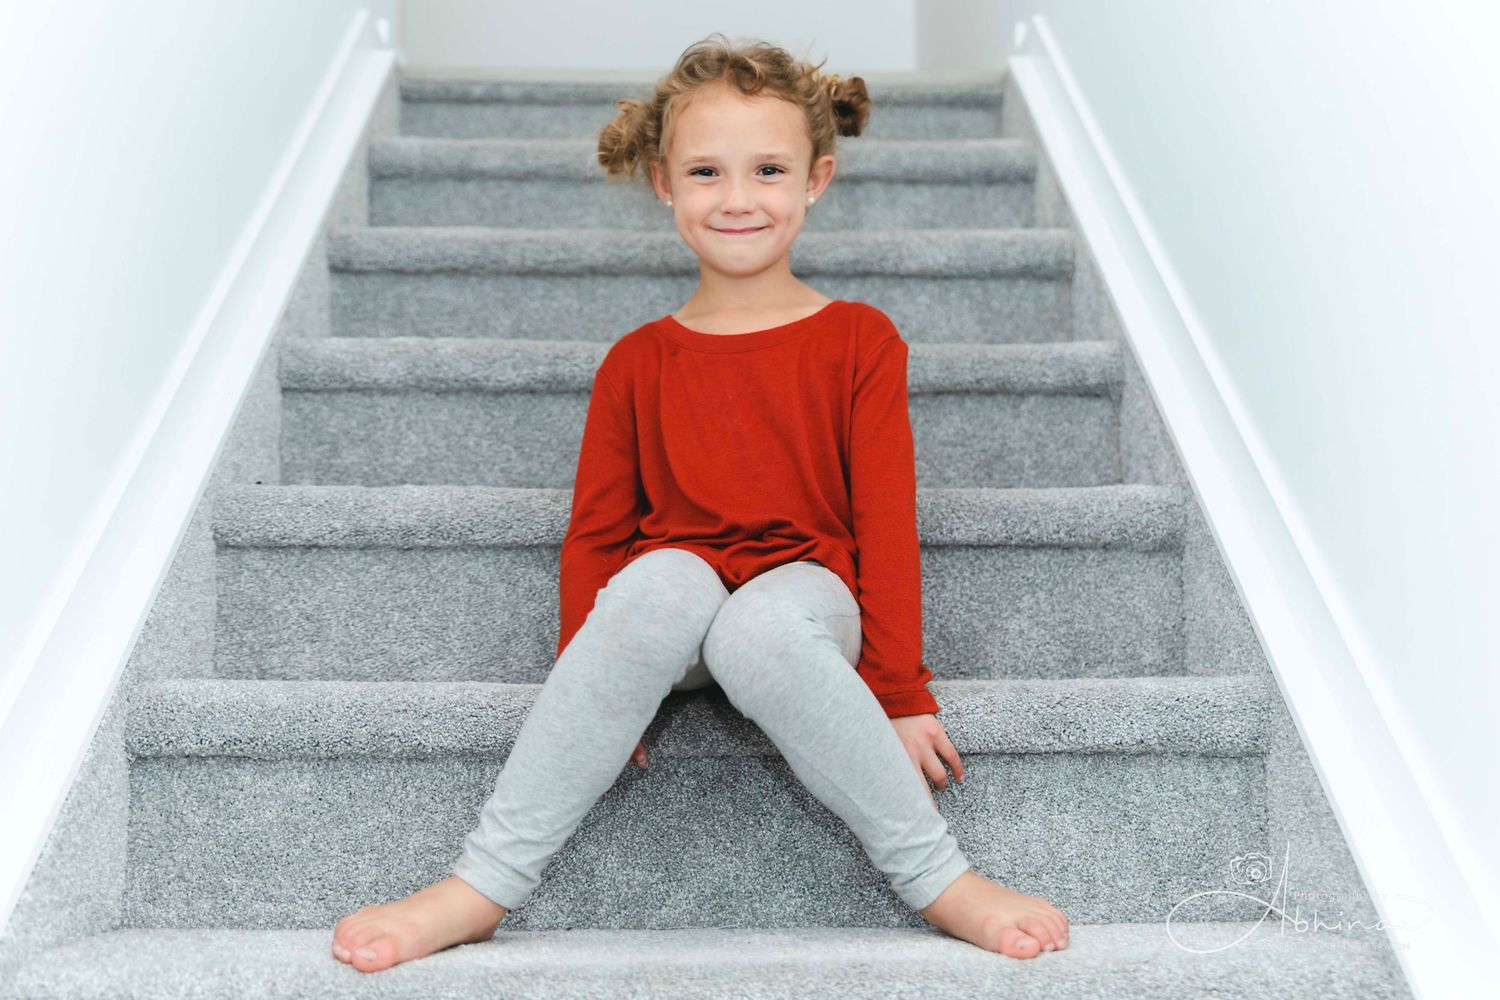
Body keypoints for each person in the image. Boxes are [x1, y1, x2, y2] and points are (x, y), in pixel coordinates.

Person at [331, 33, 1069, 974]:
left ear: (817, 179)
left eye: (769, 169)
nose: (737, 197)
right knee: (661, 581)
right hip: (673, 605)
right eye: (706, 171)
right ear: (663, 183)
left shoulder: (860, 339)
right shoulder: (636, 360)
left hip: (803, 598)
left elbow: (885, 526)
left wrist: (897, 692)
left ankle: (941, 879)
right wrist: (602, 685)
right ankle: (479, 887)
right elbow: (596, 537)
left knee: (758, 626)